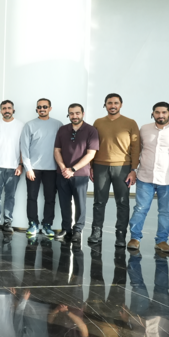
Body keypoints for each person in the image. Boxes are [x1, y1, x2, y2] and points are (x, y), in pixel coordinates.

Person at [127, 102, 169, 253]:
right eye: (157, 112)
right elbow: (138, 150)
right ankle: (135, 238)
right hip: (145, 177)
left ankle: (162, 241)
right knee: (140, 208)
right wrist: (134, 169)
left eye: (164, 112)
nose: (160, 115)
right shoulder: (144, 129)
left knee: (165, 211)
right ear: (153, 113)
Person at [90, 93, 141, 247]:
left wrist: (133, 169)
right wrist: (91, 166)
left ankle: (120, 235)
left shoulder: (130, 123)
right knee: (99, 201)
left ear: (121, 105)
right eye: (109, 103)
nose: (113, 106)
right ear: (105, 105)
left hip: (123, 167)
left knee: (123, 202)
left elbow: (136, 147)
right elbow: (92, 145)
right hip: (100, 166)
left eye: (116, 103)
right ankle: (96, 232)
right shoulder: (98, 122)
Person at [54, 103, 99, 243]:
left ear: (83, 114)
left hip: (80, 174)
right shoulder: (62, 129)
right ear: (68, 114)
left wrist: (72, 169)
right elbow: (57, 150)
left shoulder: (91, 130)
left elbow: (91, 154)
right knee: (64, 203)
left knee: (80, 204)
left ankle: (78, 230)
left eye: (77, 113)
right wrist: (64, 168)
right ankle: (66, 229)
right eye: (71, 113)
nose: (74, 116)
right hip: (62, 174)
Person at [20, 98, 62, 238]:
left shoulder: (58, 124)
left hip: (52, 168)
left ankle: (47, 225)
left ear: (50, 108)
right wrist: (28, 168)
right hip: (34, 169)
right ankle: (33, 224)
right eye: (39, 107)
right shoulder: (29, 125)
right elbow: (24, 148)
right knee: (32, 197)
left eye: (45, 106)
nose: (42, 109)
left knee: (50, 198)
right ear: (36, 109)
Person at [0, 100, 23, 233]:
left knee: (10, 196)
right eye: (4, 108)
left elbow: (23, 147)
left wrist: (20, 165)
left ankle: (8, 222)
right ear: (0, 111)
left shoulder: (21, 125)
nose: (7, 110)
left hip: (14, 167)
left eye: (9, 108)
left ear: (13, 110)